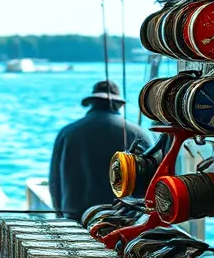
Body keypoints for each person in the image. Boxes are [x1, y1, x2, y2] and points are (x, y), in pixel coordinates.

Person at [48, 80, 151, 220]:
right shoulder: (138, 134)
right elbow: (152, 181)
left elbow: (55, 179)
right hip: (123, 218)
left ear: (91, 102)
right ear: (118, 104)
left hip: (75, 217)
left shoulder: (67, 133)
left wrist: (59, 211)